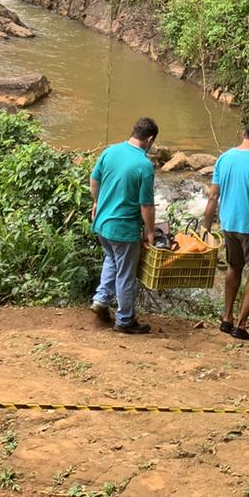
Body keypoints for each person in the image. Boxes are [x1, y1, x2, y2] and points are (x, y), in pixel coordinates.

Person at [202, 117, 249, 342]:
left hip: (227, 223)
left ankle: (226, 317)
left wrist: (206, 227)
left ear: (244, 133)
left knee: (234, 266)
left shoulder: (224, 159)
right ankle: (241, 325)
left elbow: (213, 196)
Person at [89, 116, 158, 335]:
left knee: (111, 259)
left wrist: (97, 202)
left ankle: (101, 299)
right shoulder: (144, 165)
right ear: (150, 139)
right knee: (126, 273)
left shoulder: (110, 151)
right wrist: (150, 232)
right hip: (124, 229)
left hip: (102, 224)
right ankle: (125, 319)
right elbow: (146, 205)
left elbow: (94, 179)